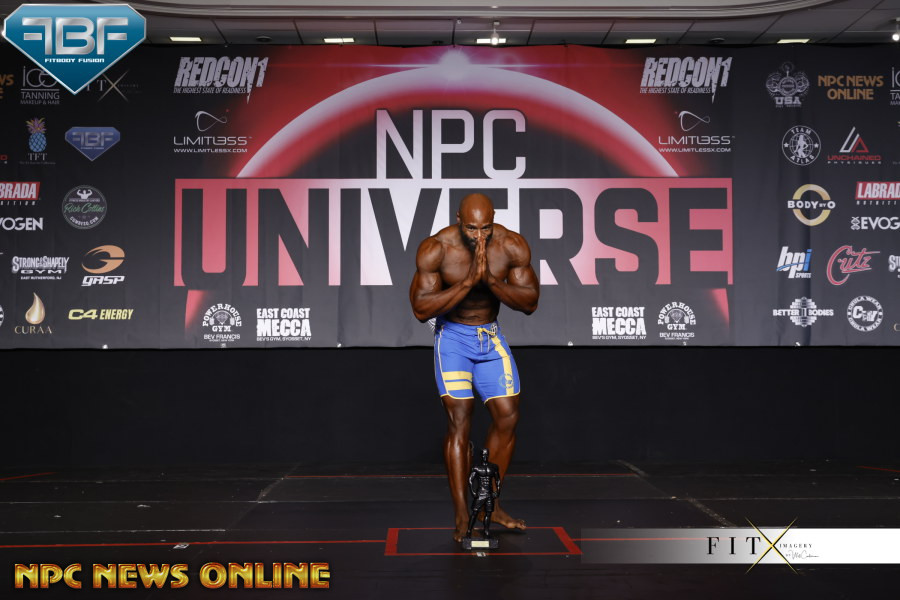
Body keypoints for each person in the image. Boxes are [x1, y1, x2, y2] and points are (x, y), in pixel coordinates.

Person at [409, 192, 539, 542]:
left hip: (490, 337)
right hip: (453, 338)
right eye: (471, 228)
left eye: (485, 228)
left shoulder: (511, 245)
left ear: (493, 221)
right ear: (458, 220)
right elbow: (421, 309)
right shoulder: (436, 248)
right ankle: (461, 512)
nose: (479, 236)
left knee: (508, 415)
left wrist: (491, 282)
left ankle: (489, 504)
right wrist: (467, 282)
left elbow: (530, 302)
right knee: (460, 419)